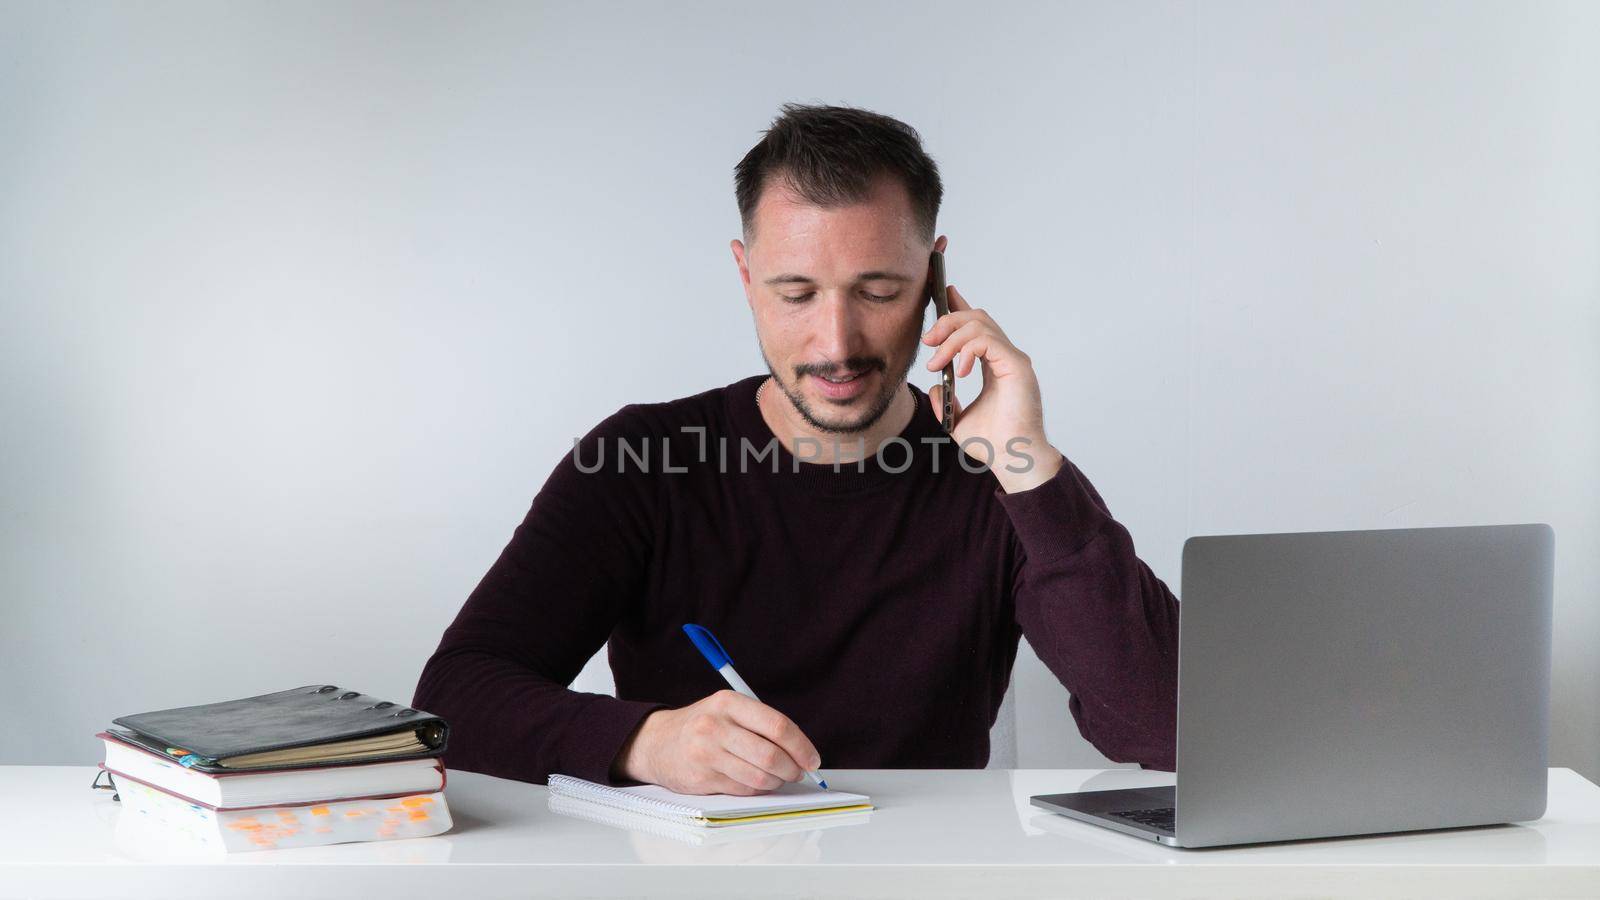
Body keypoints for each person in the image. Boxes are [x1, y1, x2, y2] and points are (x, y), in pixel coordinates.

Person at [413, 102, 1179, 795]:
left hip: (923, 874)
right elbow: (455, 697)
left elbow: (1165, 729)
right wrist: (646, 743)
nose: (836, 344)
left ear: (936, 278)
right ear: (746, 276)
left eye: (879, 291)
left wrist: (1028, 465)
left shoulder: (1001, 476)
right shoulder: (638, 460)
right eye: (797, 293)